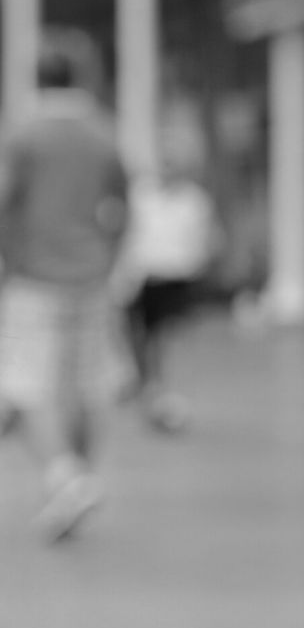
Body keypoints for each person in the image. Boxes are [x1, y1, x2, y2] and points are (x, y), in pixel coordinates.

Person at [0, 30, 129, 540]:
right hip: (92, 274)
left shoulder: (18, 131)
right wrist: (111, 256)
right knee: (92, 381)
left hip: (31, 276)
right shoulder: (104, 130)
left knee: (26, 381)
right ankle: (80, 477)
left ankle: (66, 475)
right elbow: (123, 204)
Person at [118, 141, 220, 433]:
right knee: (139, 335)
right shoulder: (141, 195)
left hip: (177, 278)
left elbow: (205, 239)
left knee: (166, 337)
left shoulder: (195, 200)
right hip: (143, 276)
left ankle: (163, 389)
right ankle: (148, 384)